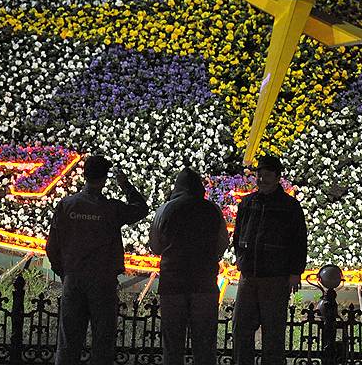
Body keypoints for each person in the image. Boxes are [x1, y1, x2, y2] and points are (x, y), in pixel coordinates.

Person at [46, 155, 148, 365]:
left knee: (68, 342)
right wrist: (125, 185)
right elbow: (141, 208)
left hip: (74, 278)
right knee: (103, 342)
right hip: (103, 281)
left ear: (85, 175)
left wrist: (65, 273)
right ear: (104, 179)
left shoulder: (67, 205)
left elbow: (52, 247)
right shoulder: (111, 209)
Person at [231, 155, 308, 365]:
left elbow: (298, 240)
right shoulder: (248, 203)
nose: (262, 179)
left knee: (273, 331)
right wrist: (241, 258)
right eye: (259, 175)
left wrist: (295, 272)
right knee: (241, 327)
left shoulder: (289, 206)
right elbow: (238, 234)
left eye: (267, 175)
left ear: (277, 177)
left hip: (276, 276)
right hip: (249, 274)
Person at [149, 167, 229, 365]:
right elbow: (222, 243)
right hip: (204, 284)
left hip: (173, 283)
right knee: (204, 343)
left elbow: (155, 246)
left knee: (173, 343)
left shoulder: (165, 209)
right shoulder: (212, 210)